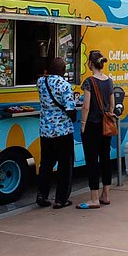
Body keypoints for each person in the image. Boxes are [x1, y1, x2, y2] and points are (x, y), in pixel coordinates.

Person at [77, 50, 115, 209]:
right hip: (106, 125)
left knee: (92, 161)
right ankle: (105, 194)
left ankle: (94, 198)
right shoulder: (109, 80)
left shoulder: (89, 81)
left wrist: (83, 124)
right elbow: (112, 104)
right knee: (105, 159)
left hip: (92, 125)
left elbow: (86, 106)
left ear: (91, 64)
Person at [36, 57, 75, 209]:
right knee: (65, 166)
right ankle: (61, 199)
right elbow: (70, 109)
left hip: (45, 130)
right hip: (62, 131)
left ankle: (42, 194)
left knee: (46, 163)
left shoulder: (41, 82)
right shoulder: (64, 85)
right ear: (63, 71)